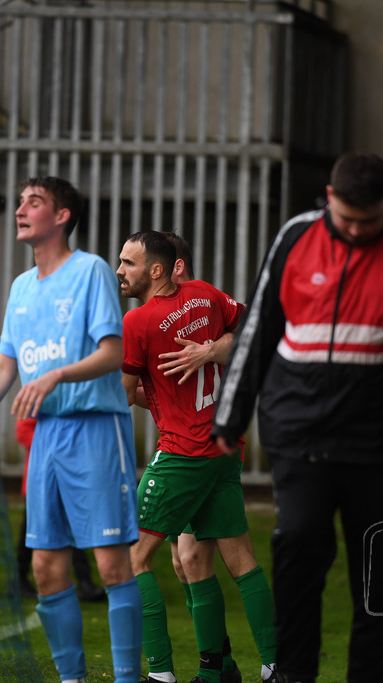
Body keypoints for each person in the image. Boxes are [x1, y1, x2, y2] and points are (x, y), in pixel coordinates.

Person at [211, 151, 383, 683]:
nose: (353, 230)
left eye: (367, 221)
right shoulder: (295, 236)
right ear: (328, 197)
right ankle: (292, 675)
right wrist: (229, 418)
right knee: (298, 549)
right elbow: (257, 328)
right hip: (300, 433)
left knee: (380, 579)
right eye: (344, 218)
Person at [0, 176, 141, 683]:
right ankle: (71, 679)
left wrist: (55, 375)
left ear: (63, 215)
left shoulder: (91, 270)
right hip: (46, 436)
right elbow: (4, 367)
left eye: (35, 202)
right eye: (21, 202)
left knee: (114, 566)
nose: (21, 210)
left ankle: (127, 677)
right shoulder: (21, 288)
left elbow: (112, 354)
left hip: (95, 429)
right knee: (45, 569)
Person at [117, 231, 282, 683]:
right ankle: (258, 667)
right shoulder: (206, 295)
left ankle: (160, 674)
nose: (119, 271)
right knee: (236, 559)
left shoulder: (137, 323)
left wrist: (84, 379)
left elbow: (125, 394)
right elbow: (249, 324)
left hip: (182, 453)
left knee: (131, 558)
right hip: (222, 449)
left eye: (127, 263)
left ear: (156, 269)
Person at [14, 416, 106, 602]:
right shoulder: (38, 396)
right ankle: (19, 579)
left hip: (68, 479)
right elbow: (23, 432)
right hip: (41, 481)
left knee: (76, 528)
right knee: (30, 532)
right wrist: (57, 448)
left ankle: (85, 582)